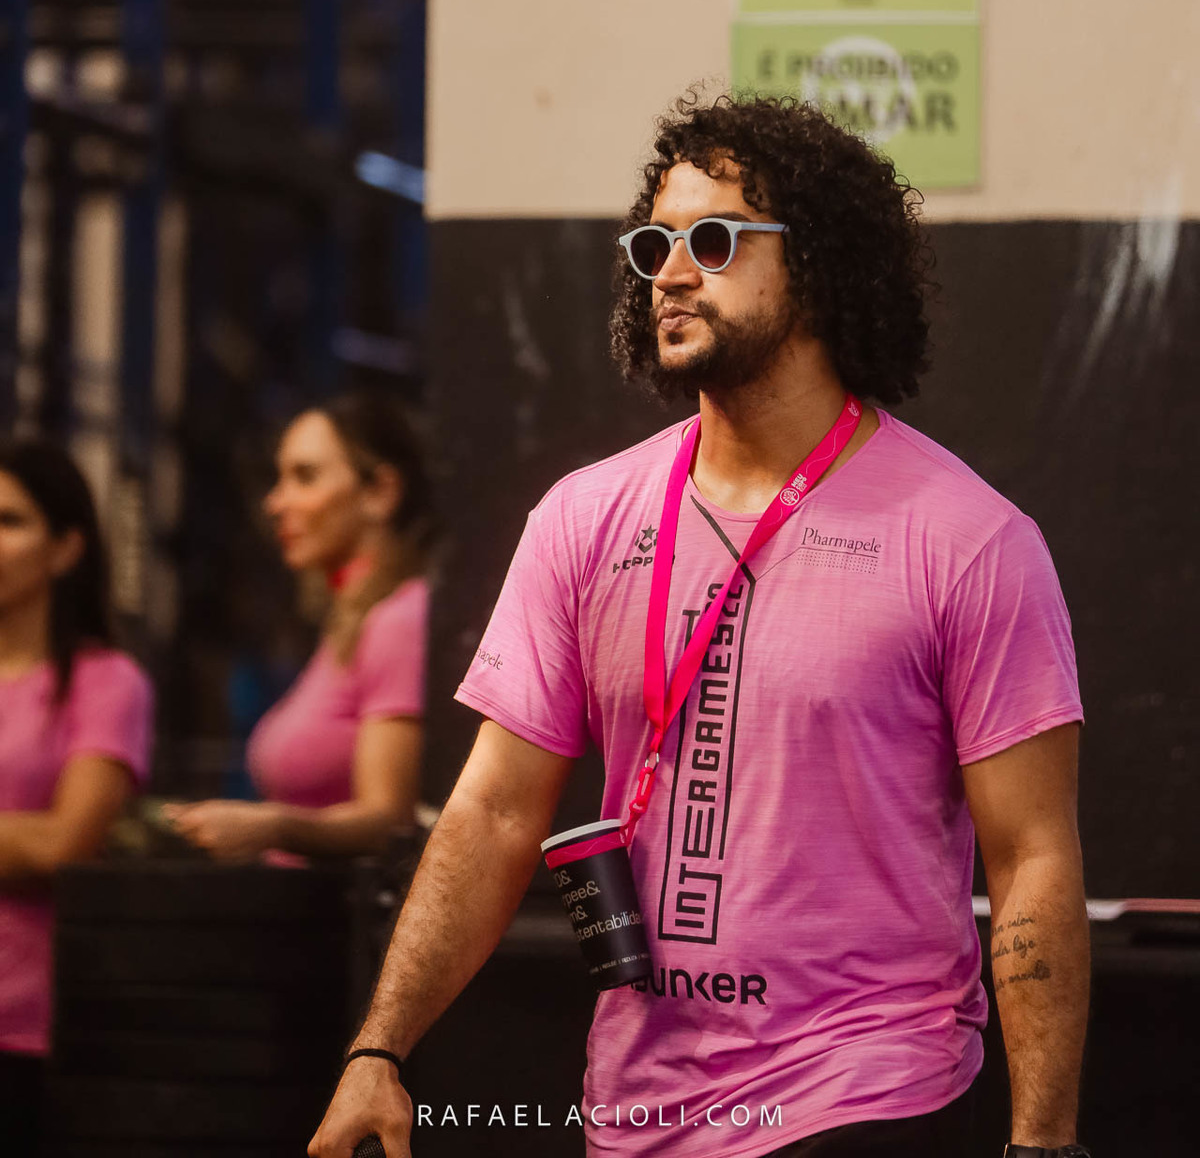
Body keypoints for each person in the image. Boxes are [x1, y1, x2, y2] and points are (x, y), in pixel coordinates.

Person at [309, 95, 1090, 1158]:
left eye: (714, 241)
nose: (670, 274)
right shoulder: (585, 519)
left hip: (867, 1090)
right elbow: (491, 812)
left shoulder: (967, 539)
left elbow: (1032, 853)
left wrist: (1044, 1143)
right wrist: (379, 1050)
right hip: (639, 1107)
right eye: (655, 246)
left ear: (818, 264)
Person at [167, 394, 432, 862]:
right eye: (280, 478)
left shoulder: (399, 619)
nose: (275, 502)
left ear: (380, 492)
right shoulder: (351, 622)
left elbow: (391, 819)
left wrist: (271, 827)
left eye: (305, 477)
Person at [0, 438, 154, 1157]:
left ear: (65, 549)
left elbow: (67, 844)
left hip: (24, 1031)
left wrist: (42, 841)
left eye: (9, 521)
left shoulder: (107, 682)